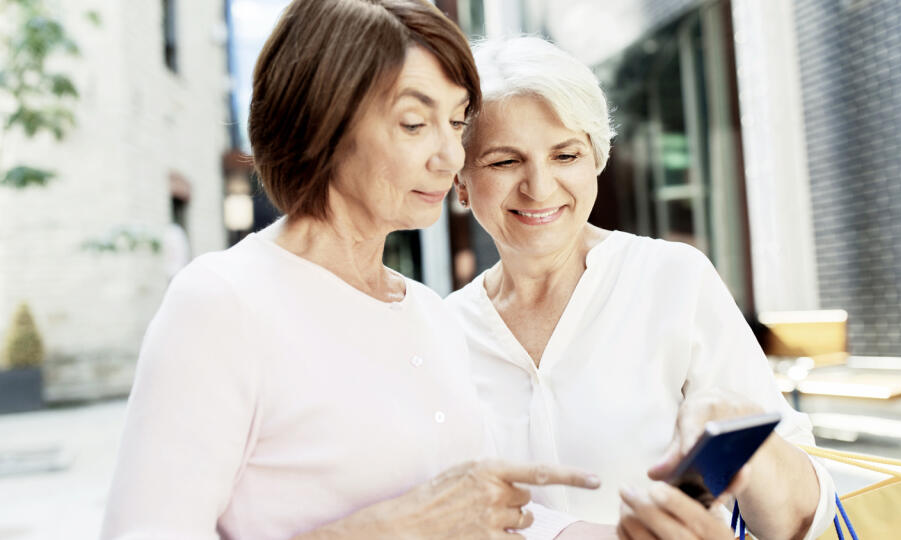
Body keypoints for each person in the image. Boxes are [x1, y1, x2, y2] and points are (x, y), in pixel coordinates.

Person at [100, 5, 601, 539]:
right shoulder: (223, 303)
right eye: (415, 123)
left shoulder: (429, 313)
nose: (451, 155)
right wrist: (389, 530)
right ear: (323, 123)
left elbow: (478, 515)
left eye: (456, 123)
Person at [445, 36, 837, 540]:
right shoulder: (445, 330)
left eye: (565, 155)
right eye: (504, 161)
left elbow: (799, 521)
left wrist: (743, 434)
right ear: (459, 180)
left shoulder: (672, 278)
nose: (539, 187)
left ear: (596, 160)